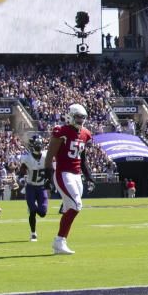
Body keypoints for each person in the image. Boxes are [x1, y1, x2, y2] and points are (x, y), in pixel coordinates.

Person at [45, 103, 94, 255]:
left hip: (76, 174)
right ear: (70, 115)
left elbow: (83, 159)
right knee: (76, 205)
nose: (81, 120)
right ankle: (59, 240)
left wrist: (89, 177)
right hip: (63, 173)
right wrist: (48, 178)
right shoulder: (61, 131)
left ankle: (60, 244)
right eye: (78, 117)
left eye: (83, 117)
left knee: (69, 209)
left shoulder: (85, 133)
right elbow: (49, 157)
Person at [14, 134, 51, 241]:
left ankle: (32, 210)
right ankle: (33, 233)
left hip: (41, 187)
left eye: (40, 144)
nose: (39, 147)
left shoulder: (45, 156)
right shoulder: (27, 158)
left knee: (43, 213)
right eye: (37, 145)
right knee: (33, 210)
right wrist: (21, 179)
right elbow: (21, 172)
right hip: (31, 187)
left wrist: (49, 180)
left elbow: (49, 169)